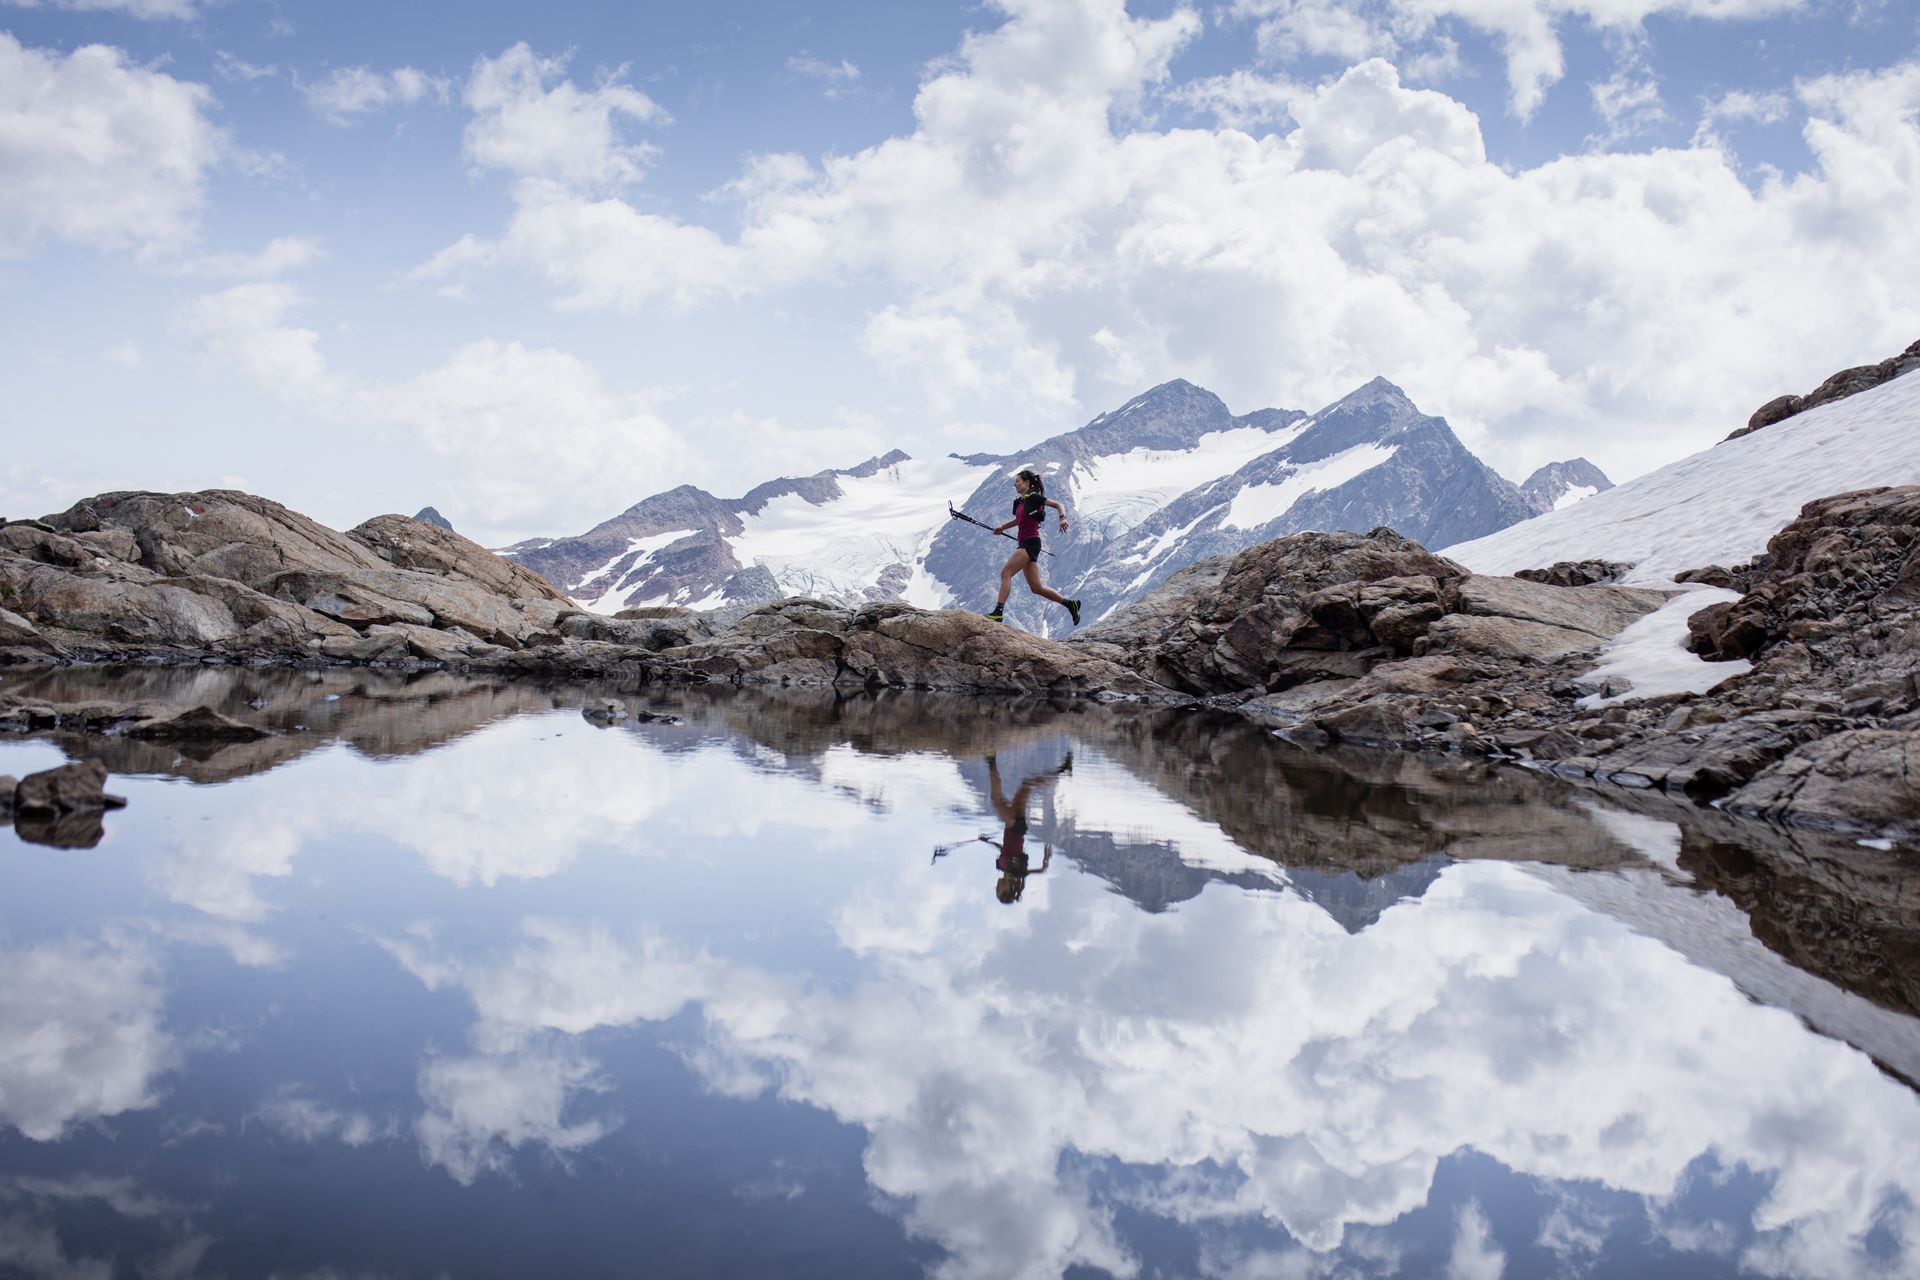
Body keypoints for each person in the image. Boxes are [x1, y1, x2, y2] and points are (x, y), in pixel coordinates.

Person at [986, 469, 1081, 626]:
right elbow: (1019, 520)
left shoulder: (1034, 497)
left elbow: (1058, 504)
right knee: (1036, 588)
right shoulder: (1018, 503)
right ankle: (1071, 604)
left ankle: (998, 612)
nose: (1014, 484)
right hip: (1024, 542)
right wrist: (1002, 527)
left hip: (1030, 543)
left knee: (1005, 573)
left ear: (1026, 482)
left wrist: (1062, 518)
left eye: (1017, 481)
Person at [982, 751, 1071, 904]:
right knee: (996, 800)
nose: (996, 888)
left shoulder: (1009, 870)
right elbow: (1040, 870)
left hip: (1018, 827)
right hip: (1013, 827)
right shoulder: (1016, 873)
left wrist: (988, 842)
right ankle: (991, 760)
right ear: (1007, 890)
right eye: (999, 891)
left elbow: (1006, 849)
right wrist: (1045, 859)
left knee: (1027, 785)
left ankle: (1063, 770)